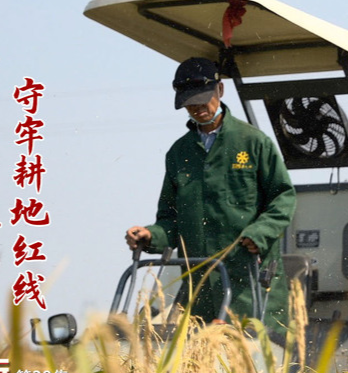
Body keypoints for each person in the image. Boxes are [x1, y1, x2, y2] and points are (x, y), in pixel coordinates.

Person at [125, 57, 296, 330]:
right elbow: (170, 220)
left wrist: (260, 233)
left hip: (249, 284)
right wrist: (150, 235)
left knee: (255, 363)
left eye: (203, 99)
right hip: (199, 287)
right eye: (190, 102)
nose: (197, 108)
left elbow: (283, 198)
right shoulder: (179, 153)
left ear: (221, 90)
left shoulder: (253, 142)